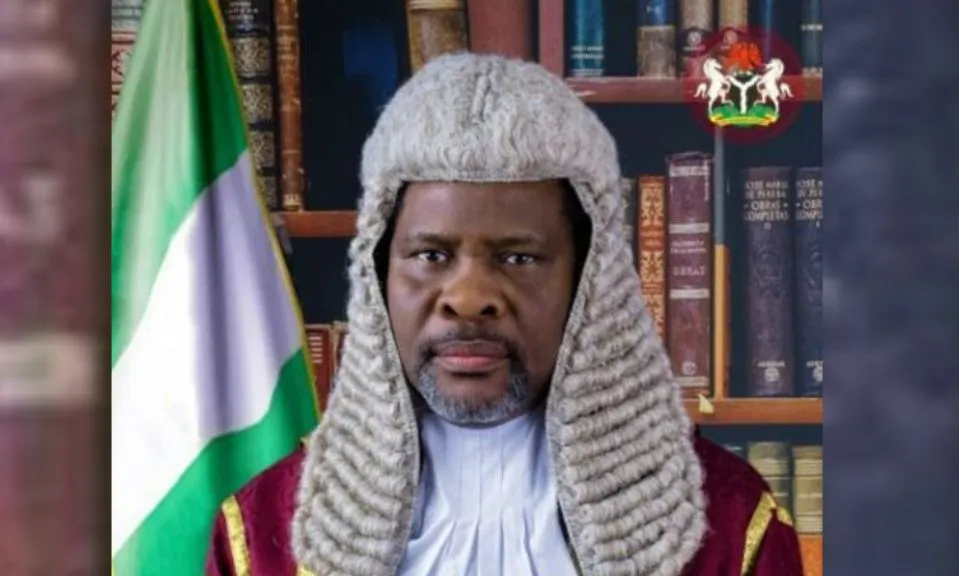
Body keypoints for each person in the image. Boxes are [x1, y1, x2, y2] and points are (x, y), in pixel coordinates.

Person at [205, 52, 804, 576]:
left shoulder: (729, 528)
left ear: (589, 279)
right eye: (431, 255)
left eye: (519, 257)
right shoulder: (260, 533)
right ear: (379, 273)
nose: (469, 297)